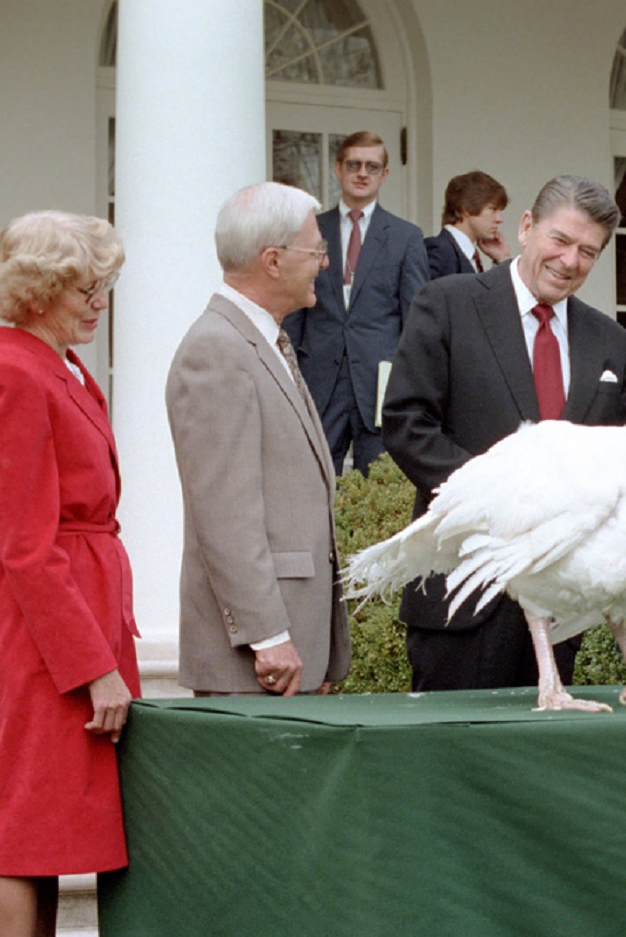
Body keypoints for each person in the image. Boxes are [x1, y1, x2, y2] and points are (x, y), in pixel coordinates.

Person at [0, 210, 141, 937]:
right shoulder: (13, 373)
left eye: (102, 287)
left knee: (62, 816)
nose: (98, 301)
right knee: (29, 814)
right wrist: (91, 667)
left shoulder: (56, 364)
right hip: (49, 618)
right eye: (83, 288)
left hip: (83, 597)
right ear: (38, 290)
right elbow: (27, 547)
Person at [380, 175, 626, 692]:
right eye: (560, 241)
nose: (570, 262)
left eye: (588, 252)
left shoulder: (612, 342)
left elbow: (619, 458)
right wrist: (501, 506)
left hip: (559, 604)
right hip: (462, 593)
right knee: (451, 764)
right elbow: (408, 423)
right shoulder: (447, 304)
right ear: (525, 227)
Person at [166, 181, 350, 697]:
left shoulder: (264, 341)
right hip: (258, 662)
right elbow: (225, 513)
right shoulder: (216, 350)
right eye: (317, 250)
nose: (324, 263)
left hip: (294, 651)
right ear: (272, 260)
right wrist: (267, 635)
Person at [282, 130, 430, 475]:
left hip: (379, 384)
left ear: (385, 174)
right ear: (338, 169)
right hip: (319, 378)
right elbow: (292, 306)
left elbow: (414, 320)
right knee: (311, 478)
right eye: (354, 165)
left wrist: (409, 386)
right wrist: (291, 368)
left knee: (377, 486)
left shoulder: (405, 237)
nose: (362, 173)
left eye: (372, 167)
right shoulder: (309, 230)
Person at [425, 170, 511, 278]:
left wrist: (502, 259)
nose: (499, 219)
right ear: (466, 209)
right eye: (493, 209)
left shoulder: (465, 254)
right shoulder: (440, 250)